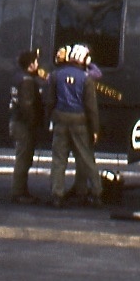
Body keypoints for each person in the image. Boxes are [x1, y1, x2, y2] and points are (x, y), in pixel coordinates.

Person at [44, 43, 102, 208]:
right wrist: (95, 129)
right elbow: (91, 107)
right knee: (86, 157)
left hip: (60, 119)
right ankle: (97, 193)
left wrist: (49, 119)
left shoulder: (56, 75)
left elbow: (50, 101)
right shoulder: (86, 78)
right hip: (80, 121)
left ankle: (57, 195)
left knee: (59, 159)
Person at [7, 49, 47, 204]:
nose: (38, 64)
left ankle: (21, 191)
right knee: (23, 159)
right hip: (24, 125)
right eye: (36, 62)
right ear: (31, 65)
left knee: (22, 158)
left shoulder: (18, 78)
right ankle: (18, 192)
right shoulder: (28, 82)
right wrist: (34, 124)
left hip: (16, 121)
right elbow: (27, 105)